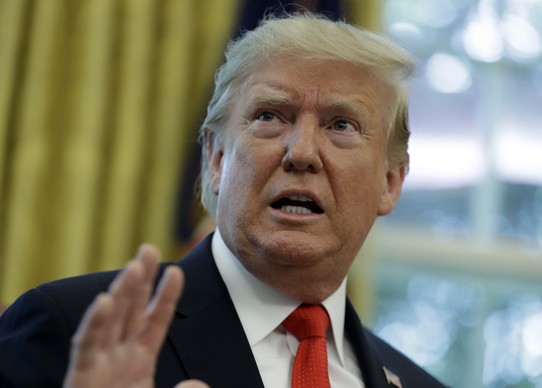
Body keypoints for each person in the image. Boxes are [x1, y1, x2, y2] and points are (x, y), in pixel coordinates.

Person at [0, 13, 446, 388]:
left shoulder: (417, 382)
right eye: (270, 116)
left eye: (342, 126)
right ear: (215, 159)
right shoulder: (68, 329)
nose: (302, 152)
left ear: (390, 182)